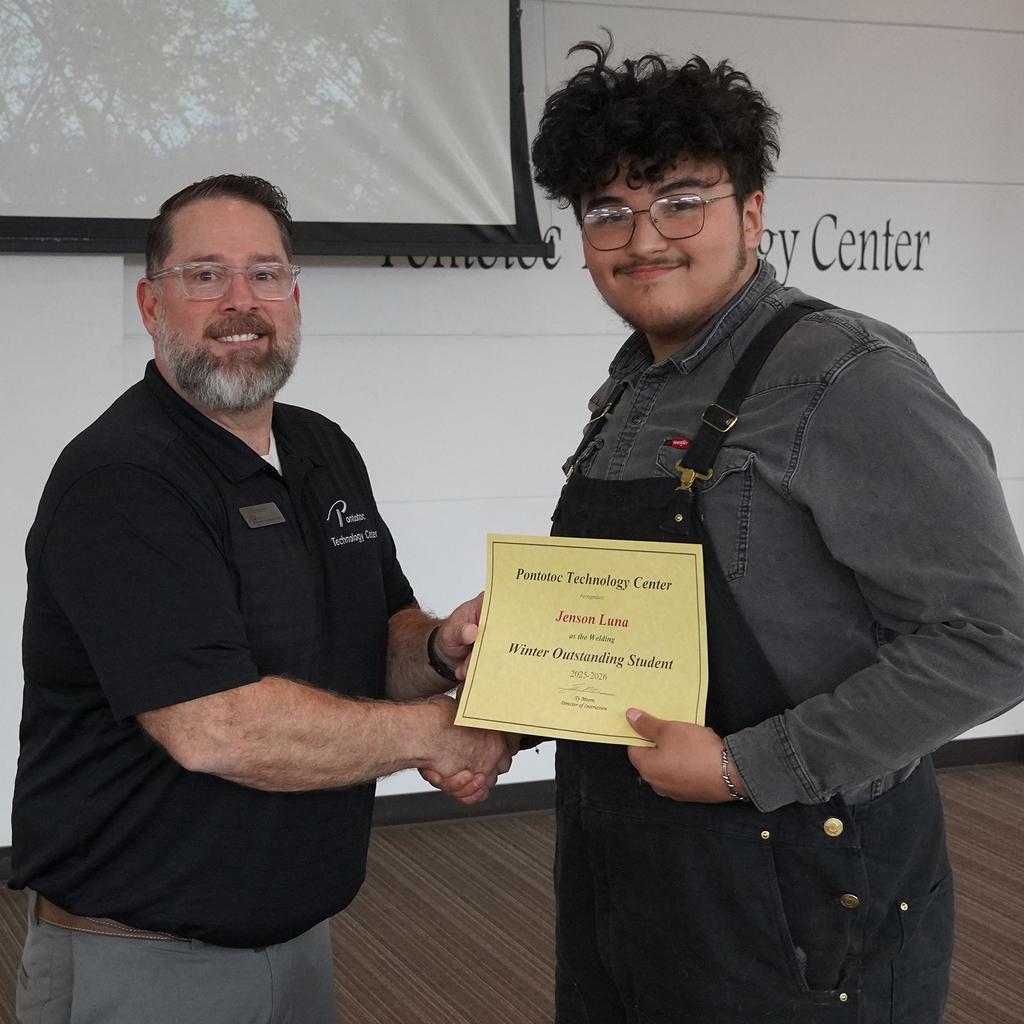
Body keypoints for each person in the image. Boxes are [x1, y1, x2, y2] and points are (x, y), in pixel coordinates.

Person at [526, 42, 1024, 1023]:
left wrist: (741, 766)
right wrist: (513, 645)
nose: (643, 238)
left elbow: (991, 639)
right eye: (607, 211)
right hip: (624, 865)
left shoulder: (846, 372)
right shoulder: (628, 388)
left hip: (799, 888)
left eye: (680, 200)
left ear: (750, 213)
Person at [9, 173, 514, 1024]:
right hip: (141, 960)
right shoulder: (124, 480)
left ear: (295, 295)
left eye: (265, 274)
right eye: (204, 274)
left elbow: (373, 635)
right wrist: (445, 733)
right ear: (150, 303)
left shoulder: (321, 448)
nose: (240, 301)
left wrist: (436, 649)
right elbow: (216, 728)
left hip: (297, 935)